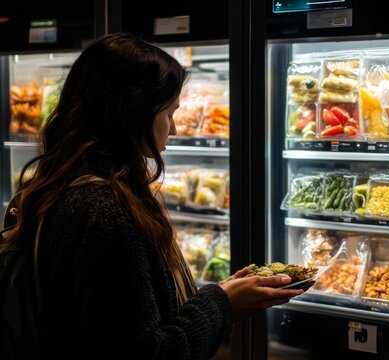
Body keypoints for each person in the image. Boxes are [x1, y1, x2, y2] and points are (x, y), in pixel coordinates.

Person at [4, 32, 303, 359]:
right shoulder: (106, 212)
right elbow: (149, 352)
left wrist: (219, 293)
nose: (173, 129)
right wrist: (223, 304)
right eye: (169, 113)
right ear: (132, 114)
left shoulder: (59, 184)